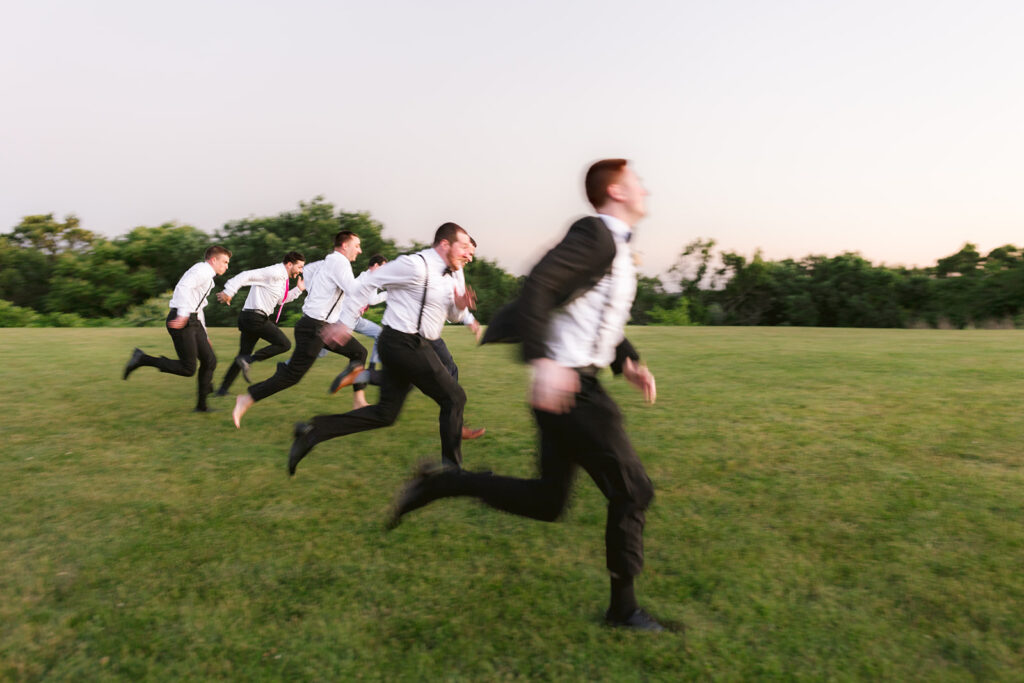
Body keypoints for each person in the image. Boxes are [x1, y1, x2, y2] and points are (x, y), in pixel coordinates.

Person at [387, 159, 665, 631]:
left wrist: (626, 360)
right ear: (616, 191)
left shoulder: (613, 246)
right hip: (571, 388)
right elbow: (541, 284)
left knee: (547, 501)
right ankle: (623, 610)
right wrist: (544, 363)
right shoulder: (596, 235)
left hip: (572, 385)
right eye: (638, 182)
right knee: (633, 489)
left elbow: (587, 308)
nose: (647, 189)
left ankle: (442, 482)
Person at [286, 222, 475, 475]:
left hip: (414, 344)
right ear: (444, 245)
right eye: (463, 247)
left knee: (386, 414)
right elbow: (365, 284)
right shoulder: (414, 265)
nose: (468, 253)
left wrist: (461, 305)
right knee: (454, 397)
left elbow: (452, 314)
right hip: (402, 342)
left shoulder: (456, 272)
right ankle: (451, 474)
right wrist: (344, 323)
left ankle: (313, 431)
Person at [232, 230, 368, 427]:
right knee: (291, 377)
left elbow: (309, 273)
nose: (360, 250)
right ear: (345, 245)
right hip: (313, 328)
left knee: (359, 352)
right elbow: (353, 290)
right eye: (357, 246)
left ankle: (359, 402)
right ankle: (246, 399)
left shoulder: (326, 262)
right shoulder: (339, 262)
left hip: (325, 326)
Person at [123, 245, 232, 413]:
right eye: (224, 262)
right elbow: (183, 288)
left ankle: (202, 406)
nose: (226, 266)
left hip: (193, 320)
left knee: (210, 360)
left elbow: (198, 306)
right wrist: (182, 314)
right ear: (213, 260)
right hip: (182, 319)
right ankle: (142, 358)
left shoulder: (208, 277)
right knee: (188, 368)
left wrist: (205, 334)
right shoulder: (202, 271)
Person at [214, 251, 306, 396]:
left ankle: (222, 390)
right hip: (254, 318)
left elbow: (281, 299)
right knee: (284, 344)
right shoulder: (274, 272)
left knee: (242, 355)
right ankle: (248, 360)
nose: (300, 271)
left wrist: (298, 289)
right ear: (289, 264)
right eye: (299, 267)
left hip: (250, 318)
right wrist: (229, 291)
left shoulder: (282, 279)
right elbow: (246, 275)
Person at [432, 238, 485, 440]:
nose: (469, 258)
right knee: (450, 373)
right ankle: (455, 428)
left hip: (425, 334)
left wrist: (468, 317)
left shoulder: (457, 270)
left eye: (471, 254)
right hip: (419, 334)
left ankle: (361, 375)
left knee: (403, 384)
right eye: (466, 251)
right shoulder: (431, 265)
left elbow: (455, 307)